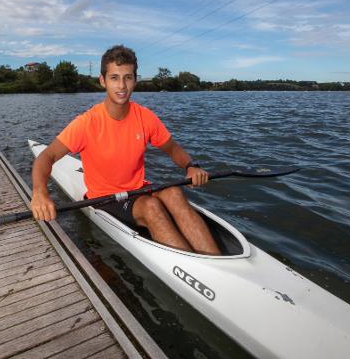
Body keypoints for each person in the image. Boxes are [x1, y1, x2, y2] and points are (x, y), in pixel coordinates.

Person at [31, 45, 220, 255]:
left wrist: (191, 166)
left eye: (128, 77)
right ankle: (192, 269)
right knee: (151, 207)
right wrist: (40, 193)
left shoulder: (145, 117)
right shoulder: (86, 123)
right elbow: (46, 156)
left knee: (174, 193)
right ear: (102, 81)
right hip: (105, 198)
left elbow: (173, 148)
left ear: (135, 80)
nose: (122, 85)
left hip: (138, 188)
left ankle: (215, 260)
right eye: (114, 77)